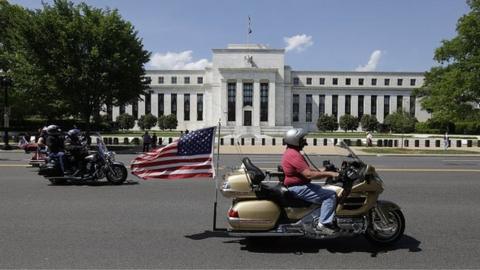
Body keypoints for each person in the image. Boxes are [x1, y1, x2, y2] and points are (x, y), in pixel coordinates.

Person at [281, 128, 339, 234]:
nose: (305, 141)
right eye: (302, 139)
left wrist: (326, 169)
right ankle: (323, 224)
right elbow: (308, 174)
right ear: (295, 140)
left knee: (326, 190)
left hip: (300, 186)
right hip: (299, 187)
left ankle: (322, 216)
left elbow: (307, 170)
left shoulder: (292, 152)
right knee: (330, 195)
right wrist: (331, 174)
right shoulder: (294, 154)